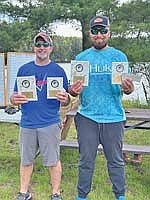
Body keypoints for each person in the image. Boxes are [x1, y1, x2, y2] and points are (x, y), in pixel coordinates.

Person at [69, 15, 134, 200]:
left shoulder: (119, 56)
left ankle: (120, 195)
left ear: (109, 33)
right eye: (95, 31)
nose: (99, 35)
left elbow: (126, 89)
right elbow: (73, 92)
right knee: (85, 161)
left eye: (103, 31)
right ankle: (82, 196)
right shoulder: (81, 58)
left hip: (114, 117)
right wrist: (73, 91)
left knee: (115, 161)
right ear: (90, 34)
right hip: (87, 117)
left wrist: (129, 89)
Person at [10, 32, 70, 200]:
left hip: (50, 123)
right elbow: (14, 96)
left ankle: (56, 194)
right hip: (27, 122)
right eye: (38, 45)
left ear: (51, 48)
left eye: (45, 45)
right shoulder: (24, 70)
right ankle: (24, 193)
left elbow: (66, 102)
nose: (41, 48)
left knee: (53, 160)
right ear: (34, 47)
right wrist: (13, 99)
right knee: (26, 160)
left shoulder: (58, 71)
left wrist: (66, 99)